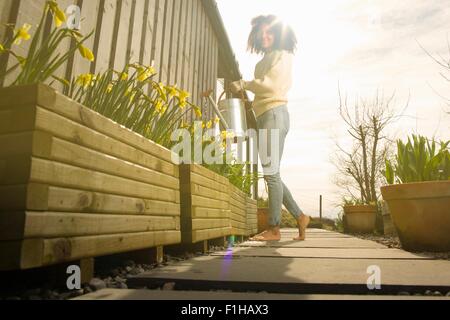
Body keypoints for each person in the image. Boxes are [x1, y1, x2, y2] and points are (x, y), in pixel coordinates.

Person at [230, 15, 311, 241]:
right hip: (265, 115)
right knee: (271, 172)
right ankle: (300, 216)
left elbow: (271, 86)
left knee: (271, 173)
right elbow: (262, 92)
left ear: (278, 35)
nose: (264, 36)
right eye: (261, 33)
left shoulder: (283, 56)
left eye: (269, 32)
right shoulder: (261, 62)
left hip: (276, 114)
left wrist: (244, 84)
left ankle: (274, 229)